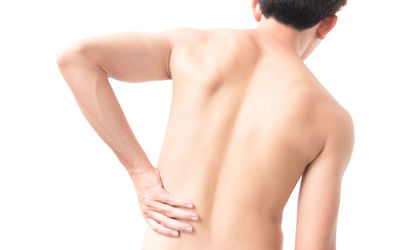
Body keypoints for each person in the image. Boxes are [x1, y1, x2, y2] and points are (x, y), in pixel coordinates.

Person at [56, 0, 354, 249]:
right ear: (327, 24)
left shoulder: (192, 47)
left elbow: (76, 58)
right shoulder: (331, 120)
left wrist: (140, 171)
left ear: (256, 5)